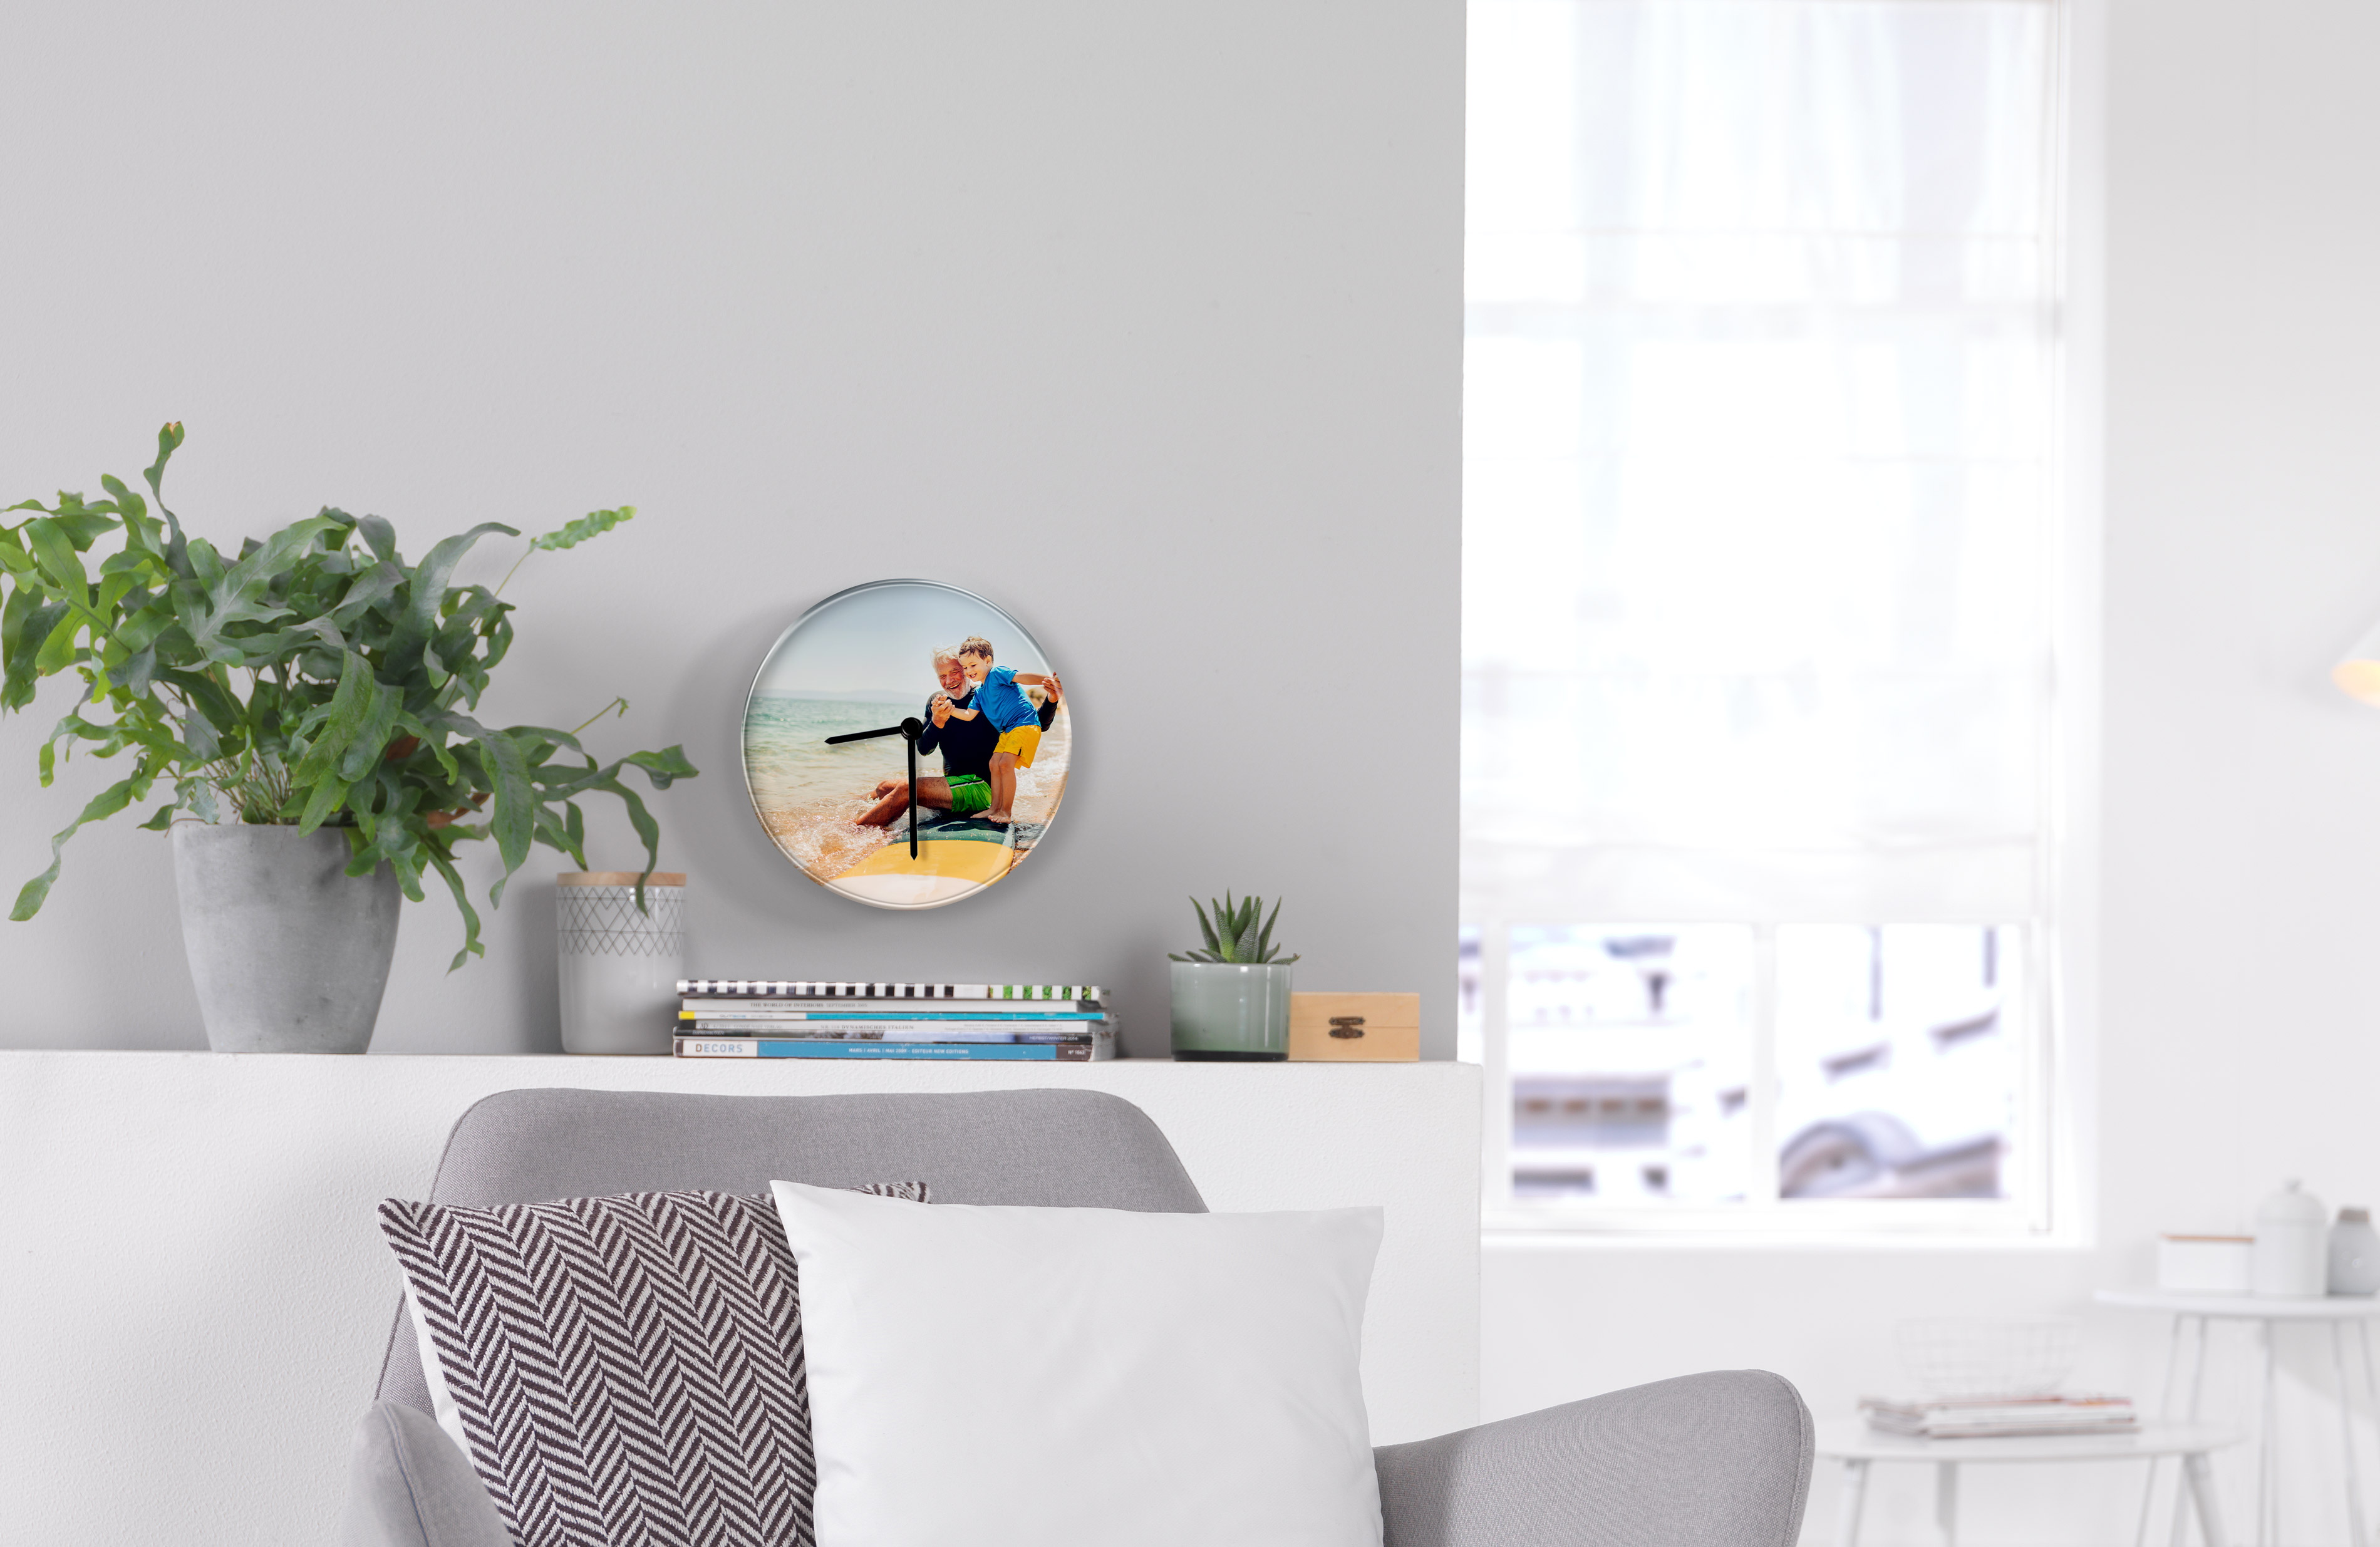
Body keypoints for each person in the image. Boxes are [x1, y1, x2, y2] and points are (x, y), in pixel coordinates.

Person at [855, 646, 1060, 829]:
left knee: (907, 789)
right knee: (884, 787)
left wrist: (1051, 699)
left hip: (982, 788)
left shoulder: (986, 696)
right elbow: (924, 748)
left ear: (969, 671)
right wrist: (937, 722)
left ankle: (854, 832)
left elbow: (1035, 724)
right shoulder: (937, 702)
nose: (949, 680)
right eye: (942, 676)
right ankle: (862, 815)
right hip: (955, 784)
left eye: (955, 672)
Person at [936, 635, 1056, 824]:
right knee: (994, 764)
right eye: (965, 667)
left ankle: (1006, 812)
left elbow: (1022, 677)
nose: (969, 671)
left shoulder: (997, 673)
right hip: (1008, 731)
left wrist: (1048, 681)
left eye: (973, 665)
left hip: (1025, 724)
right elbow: (968, 715)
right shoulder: (980, 693)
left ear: (988, 661)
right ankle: (994, 808)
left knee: (1006, 764)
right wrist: (950, 710)